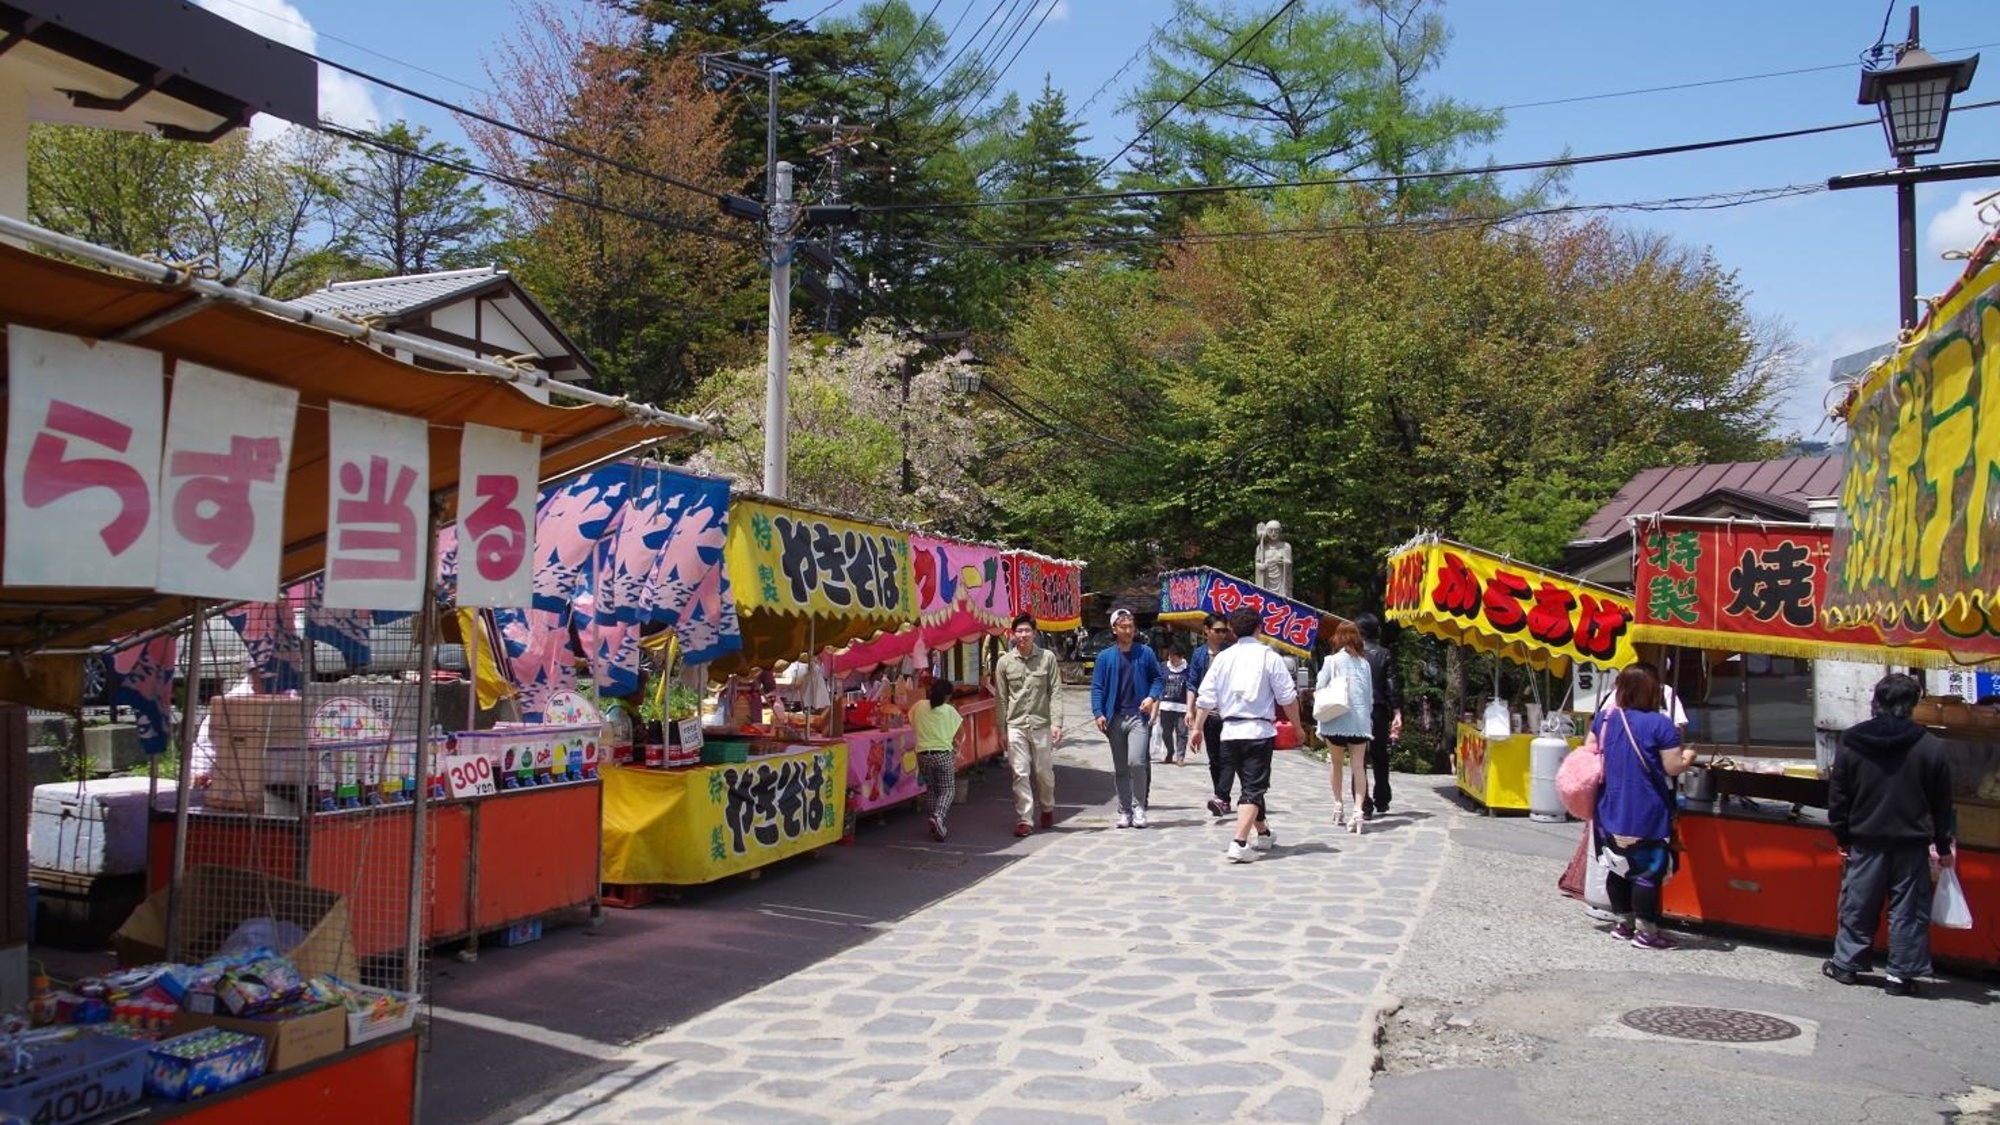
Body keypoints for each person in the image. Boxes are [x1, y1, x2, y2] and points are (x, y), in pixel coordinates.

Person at [1823, 672, 1957, 996]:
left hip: (1865, 839)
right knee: (1908, 910)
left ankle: (1846, 964)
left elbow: (1839, 795)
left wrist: (1841, 836)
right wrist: (1944, 843)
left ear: (1877, 701)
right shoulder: (1930, 747)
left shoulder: (1852, 740)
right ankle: (1900, 975)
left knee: (1858, 903)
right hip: (1911, 842)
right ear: (1912, 704)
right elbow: (1942, 803)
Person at [1592, 664, 1694, 949]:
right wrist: (1689, 755)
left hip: (1610, 807)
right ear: (1653, 692)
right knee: (1647, 872)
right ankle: (1647, 932)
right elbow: (1672, 767)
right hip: (1647, 810)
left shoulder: (1605, 718)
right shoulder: (1661, 725)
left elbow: (1590, 748)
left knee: (1616, 866)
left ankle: (1622, 924)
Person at [1192, 607, 1301, 863]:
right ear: (1258, 628)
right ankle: (1239, 842)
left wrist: (1197, 727)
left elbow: (1206, 697)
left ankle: (1263, 834)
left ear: (1232, 631)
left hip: (1229, 732)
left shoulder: (1223, 658)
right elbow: (1287, 696)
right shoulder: (1268, 657)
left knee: (1251, 785)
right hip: (1258, 731)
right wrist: (1297, 727)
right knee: (1253, 788)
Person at [1089, 608, 1164, 828]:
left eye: (1131, 626)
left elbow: (1157, 679)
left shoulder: (1146, 653)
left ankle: (1139, 806)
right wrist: (1098, 712)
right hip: (1115, 718)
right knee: (1121, 767)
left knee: (1137, 761)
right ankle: (1124, 810)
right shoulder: (1105, 657)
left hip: (1138, 716)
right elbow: (1097, 687)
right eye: (1123, 626)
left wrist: (1151, 697)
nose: (1129, 630)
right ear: (1114, 629)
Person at [994, 612, 1065, 838]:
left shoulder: (1047, 658)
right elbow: (1001, 698)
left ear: (1034, 633)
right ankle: (1025, 818)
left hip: (1041, 723)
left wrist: (1057, 723)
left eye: (1027, 631)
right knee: (1020, 772)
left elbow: (1055, 692)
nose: (1023, 635)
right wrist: (1001, 729)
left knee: (1044, 772)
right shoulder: (1004, 662)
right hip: (1015, 725)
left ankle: (1047, 806)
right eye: (1019, 631)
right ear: (1013, 634)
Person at [1316, 621, 1374, 833]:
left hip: (1335, 720)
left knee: (1336, 763)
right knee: (1359, 766)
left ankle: (1338, 804)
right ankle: (1358, 811)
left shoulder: (1331, 661)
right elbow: (1369, 696)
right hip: (1359, 722)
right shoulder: (1364, 664)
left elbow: (1320, 687)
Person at [1353, 614, 1404, 820]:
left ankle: (1363, 803)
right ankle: (1382, 797)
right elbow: (1392, 685)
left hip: (1355, 710)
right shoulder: (1384, 654)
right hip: (1378, 710)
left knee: (1358, 758)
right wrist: (1397, 711)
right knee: (1380, 755)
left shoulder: (1351, 654)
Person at [1186, 613, 1235, 815]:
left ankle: (1222, 796)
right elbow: (1192, 683)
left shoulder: (1231, 652)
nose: (1221, 634)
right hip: (1208, 714)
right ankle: (1220, 795)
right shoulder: (1199, 654)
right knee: (1214, 758)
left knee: (1228, 756)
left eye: (1224, 630)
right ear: (1206, 630)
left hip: (1229, 713)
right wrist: (1190, 710)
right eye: (1217, 630)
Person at [909, 678, 963, 842]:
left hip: (923, 754)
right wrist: (954, 745)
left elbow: (912, 722)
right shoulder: (949, 710)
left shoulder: (918, 706)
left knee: (932, 789)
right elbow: (960, 733)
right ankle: (938, 817)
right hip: (943, 754)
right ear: (947, 696)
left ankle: (934, 824)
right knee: (947, 789)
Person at [1157, 642, 1192, 766]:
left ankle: (1180, 756)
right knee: (1166, 732)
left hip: (1182, 706)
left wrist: (1191, 708)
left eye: (1174, 657)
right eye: (1169, 656)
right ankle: (1170, 751)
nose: (1171, 659)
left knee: (1182, 732)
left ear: (1181, 657)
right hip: (1166, 705)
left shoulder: (1188, 670)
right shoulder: (1163, 667)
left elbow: (1191, 688)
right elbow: (1158, 684)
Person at [1254, 520, 1294, 598]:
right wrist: (1261, 566)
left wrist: (1283, 562)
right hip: (1267, 581)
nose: (1273, 533)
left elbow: (1289, 563)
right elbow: (1257, 564)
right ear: (1266, 532)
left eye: (1276, 531)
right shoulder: (1261, 548)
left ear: (1280, 532)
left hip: (1281, 581)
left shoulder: (1286, 546)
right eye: (1270, 531)